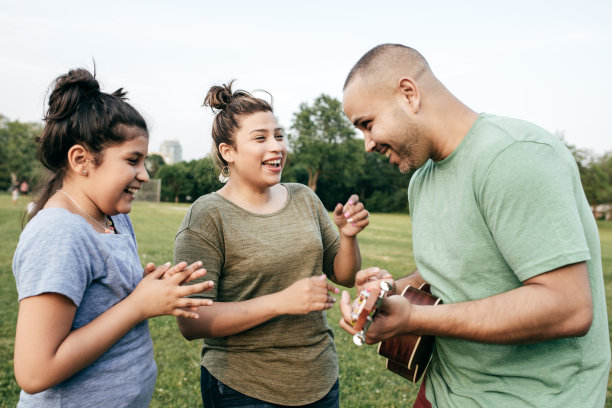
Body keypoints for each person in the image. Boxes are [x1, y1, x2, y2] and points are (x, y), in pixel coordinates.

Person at [338, 44, 610, 407]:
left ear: (408, 94)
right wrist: (387, 291)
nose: (367, 144)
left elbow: (568, 307)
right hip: (443, 391)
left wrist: (416, 317)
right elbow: (451, 271)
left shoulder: (514, 155)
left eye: (367, 124)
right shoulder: (422, 178)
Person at [12, 68, 214, 407]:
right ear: (81, 160)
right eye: (132, 160)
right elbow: (35, 372)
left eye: (144, 161)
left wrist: (149, 289)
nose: (145, 175)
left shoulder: (114, 217)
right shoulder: (59, 233)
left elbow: (104, 303)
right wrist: (138, 305)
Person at [174, 81, 370, 407]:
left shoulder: (304, 198)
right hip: (243, 389)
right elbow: (191, 321)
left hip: (320, 380)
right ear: (228, 152)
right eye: (260, 138)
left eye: (279, 135)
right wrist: (281, 302)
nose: (276, 146)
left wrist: (348, 237)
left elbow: (345, 275)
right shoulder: (207, 216)